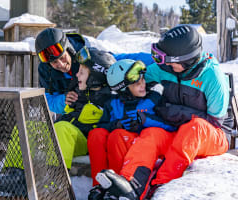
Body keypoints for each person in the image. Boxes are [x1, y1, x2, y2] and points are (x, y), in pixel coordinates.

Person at [95, 25, 230, 200]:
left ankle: (162, 185)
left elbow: (215, 122)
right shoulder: (162, 69)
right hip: (175, 130)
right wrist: (106, 62)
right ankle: (129, 187)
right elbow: (135, 71)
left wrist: (172, 112)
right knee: (151, 134)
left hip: (212, 134)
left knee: (194, 128)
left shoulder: (212, 77)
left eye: (166, 58)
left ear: (185, 60)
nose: (162, 62)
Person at [0, 46, 116, 194]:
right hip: (62, 137)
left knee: (62, 128)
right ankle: (16, 175)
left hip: (82, 141)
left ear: (94, 78)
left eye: (81, 73)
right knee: (27, 125)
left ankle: (55, 180)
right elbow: (69, 113)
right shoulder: (78, 91)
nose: (77, 75)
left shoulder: (108, 100)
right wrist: (68, 104)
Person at [86, 59, 176, 200]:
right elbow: (102, 125)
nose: (143, 85)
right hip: (119, 144)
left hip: (144, 147)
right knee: (96, 134)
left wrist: (145, 120)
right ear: (124, 90)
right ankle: (99, 184)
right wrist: (115, 124)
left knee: (118, 135)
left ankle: (118, 186)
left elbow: (170, 125)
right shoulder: (113, 103)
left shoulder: (153, 99)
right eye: (136, 84)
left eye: (142, 81)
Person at [35, 28, 154, 114]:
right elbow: (49, 100)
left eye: (62, 57)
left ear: (68, 48)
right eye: (54, 62)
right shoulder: (47, 72)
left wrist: (157, 58)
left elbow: (115, 61)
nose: (61, 64)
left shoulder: (86, 55)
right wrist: (63, 100)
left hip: (100, 110)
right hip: (75, 113)